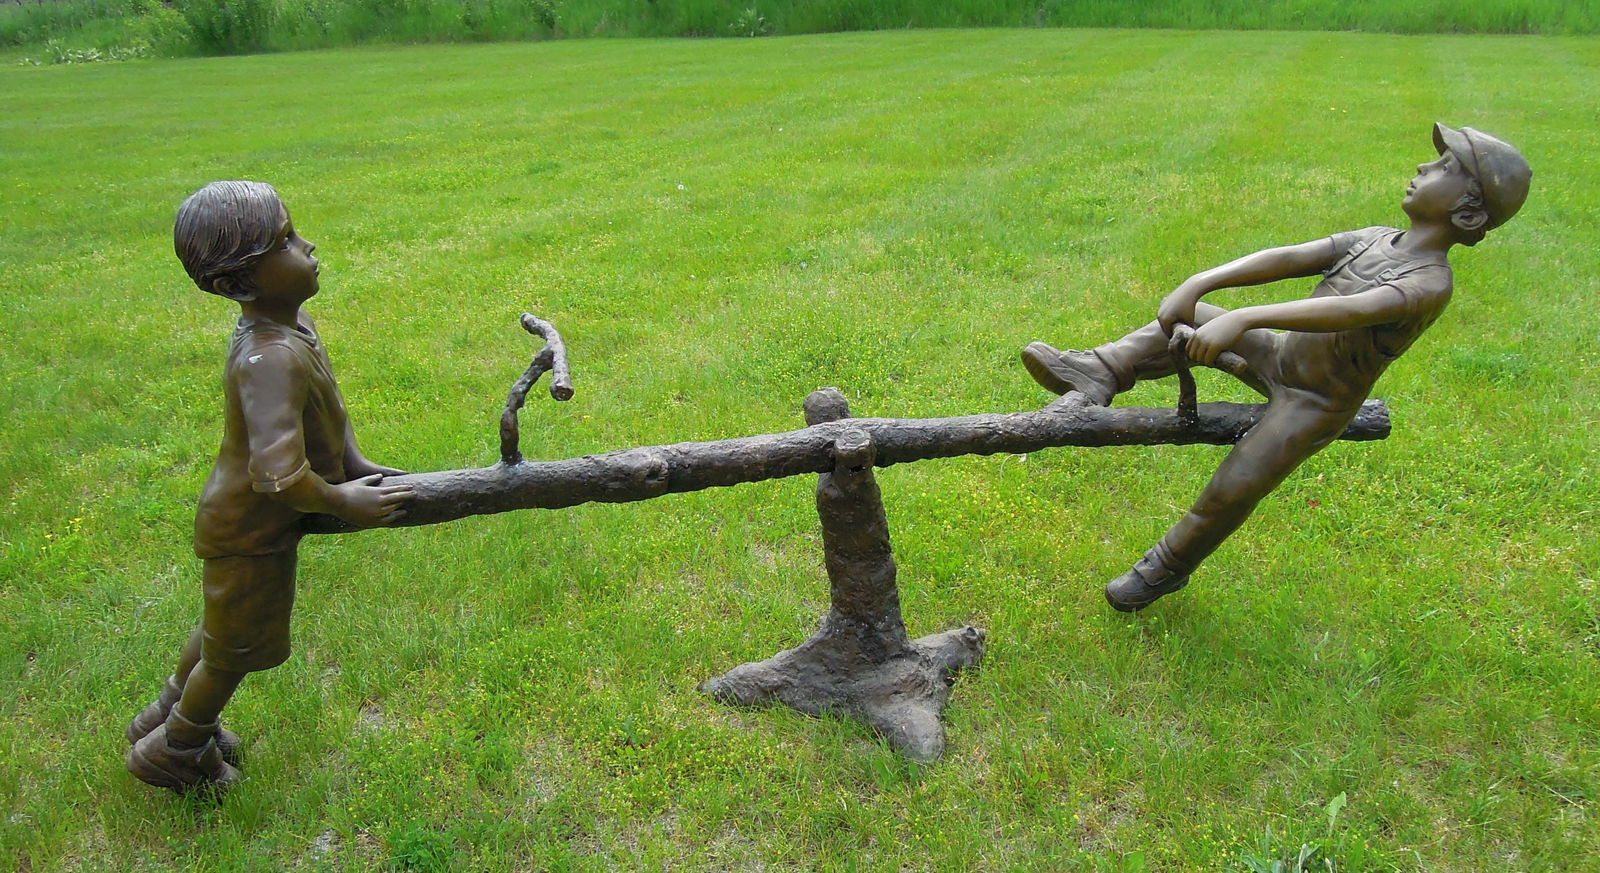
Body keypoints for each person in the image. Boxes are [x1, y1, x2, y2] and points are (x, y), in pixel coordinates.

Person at [1021, 124, 1530, 612]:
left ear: (1467, 210)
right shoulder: (1376, 238)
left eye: (1444, 166)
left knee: (1234, 485)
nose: (1422, 165)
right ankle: (1102, 369)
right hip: (1282, 356)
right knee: (1186, 316)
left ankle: (1167, 566)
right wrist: (1202, 282)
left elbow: (1348, 311)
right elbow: (1290, 256)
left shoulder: (1430, 283)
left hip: (1315, 402)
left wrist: (1244, 317)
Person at [126, 181, 415, 792]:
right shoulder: (270, 357)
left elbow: (326, 411)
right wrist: (342, 501)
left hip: (252, 523)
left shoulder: (293, 325)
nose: (307, 247)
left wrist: (357, 465)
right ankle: (176, 748)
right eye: (286, 241)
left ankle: (164, 717)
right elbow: (278, 475)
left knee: (221, 629)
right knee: (237, 648)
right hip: (250, 530)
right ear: (241, 281)